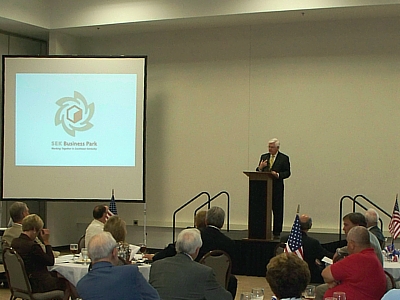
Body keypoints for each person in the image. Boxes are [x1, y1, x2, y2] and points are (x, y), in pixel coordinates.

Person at [315, 212, 384, 300]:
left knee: (320, 289)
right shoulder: (370, 255)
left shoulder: (358, 258)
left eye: (346, 225)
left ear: (351, 245)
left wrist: (331, 281)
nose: (343, 228)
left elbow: (325, 274)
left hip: (352, 293)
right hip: (357, 287)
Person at [149, 228, 232, 300]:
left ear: (176, 247)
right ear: (197, 250)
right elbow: (225, 297)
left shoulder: (156, 266)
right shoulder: (204, 272)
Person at [77, 231, 160, 300]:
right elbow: (154, 297)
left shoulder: (82, 285)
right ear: (114, 252)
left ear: (89, 255)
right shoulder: (130, 273)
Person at [11, 214, 66, 293]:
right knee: (65, 282)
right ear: (34, 229)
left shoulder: (15, 242)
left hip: (23, 283)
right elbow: (50, 261)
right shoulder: (33, 246)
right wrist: (46, 242)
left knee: (57, 275)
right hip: (37, 284)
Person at [196, 206, 237, 298]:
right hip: (219, 281)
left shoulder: (196, 236)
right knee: (232, 280)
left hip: (196, 278)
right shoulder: (229, 243)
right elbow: (233, 267)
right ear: (222, 224)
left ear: (206, 220)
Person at [280, 214, 333, 283]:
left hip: (286, 273)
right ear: (310, 225)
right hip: (309, 275)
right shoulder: (313, 243)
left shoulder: (284, 239)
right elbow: (324, 256)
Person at [256, 138, 291, 239]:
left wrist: (278, 175)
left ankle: (277, 233)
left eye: (272, 147)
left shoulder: (284, 158)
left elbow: (287, 172)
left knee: (277, 211)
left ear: (277, 148)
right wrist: (260, 167)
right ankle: (263, 230)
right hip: (265, 188)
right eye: (269, 147)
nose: (270, 149)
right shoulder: (264, 156)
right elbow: (257, 170)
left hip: (277, 188)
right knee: (263, 210)